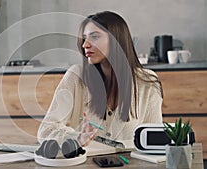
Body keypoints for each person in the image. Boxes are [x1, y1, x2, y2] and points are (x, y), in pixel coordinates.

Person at [37, 11, 163, 147]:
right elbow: (45, 131)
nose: (85, 44)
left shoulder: (146, 81)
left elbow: (154, 141)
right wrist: (77, 138)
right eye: (84, 38)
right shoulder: (76, 76)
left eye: (95, 37)